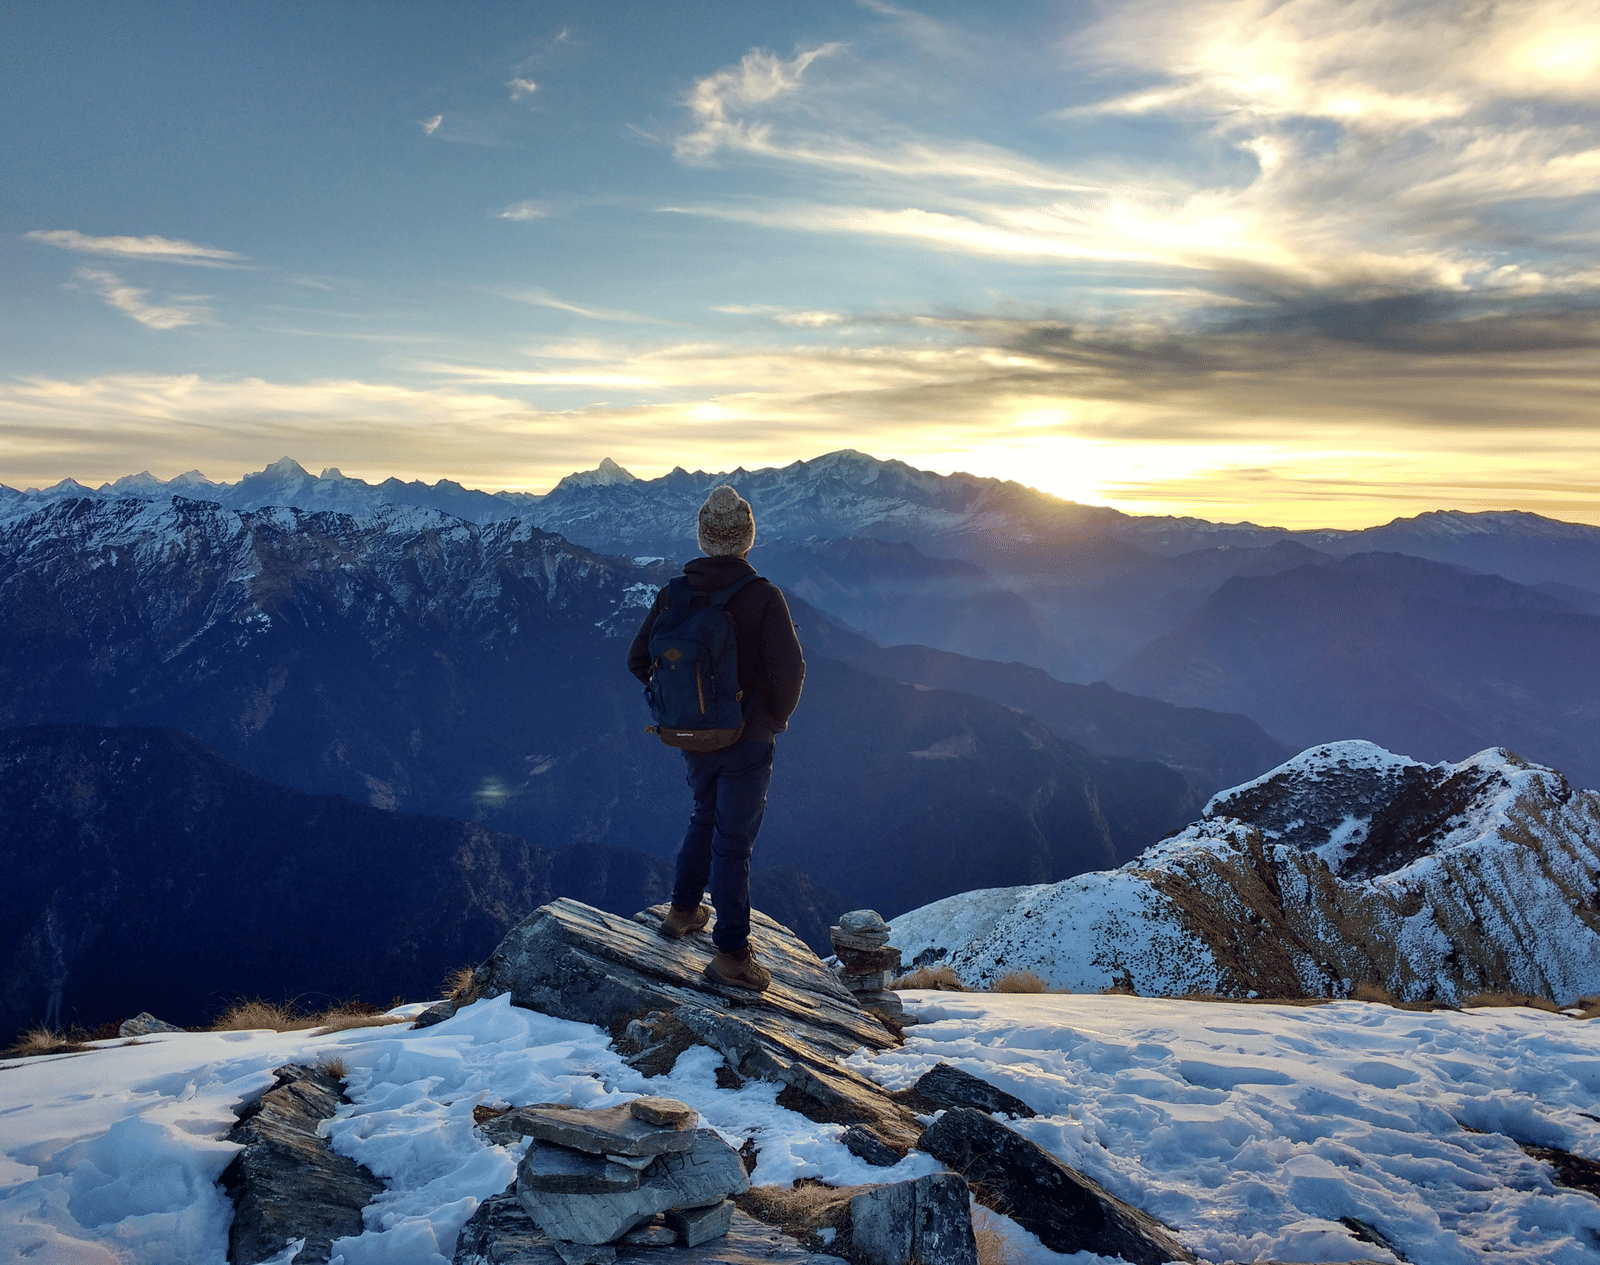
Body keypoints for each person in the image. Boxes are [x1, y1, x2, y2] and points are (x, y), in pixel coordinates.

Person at [627, 485, 805, 991]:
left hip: (690, 734)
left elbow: (638, 661)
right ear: (748, 538)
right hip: (746, 740)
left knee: (703, 814)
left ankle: (683, 911)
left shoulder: (674, 593)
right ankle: (731, 956)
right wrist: (769, 721)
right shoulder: (763, 597)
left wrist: (680, 705)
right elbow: (790, 673)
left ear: (703, 539)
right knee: (734, 842)